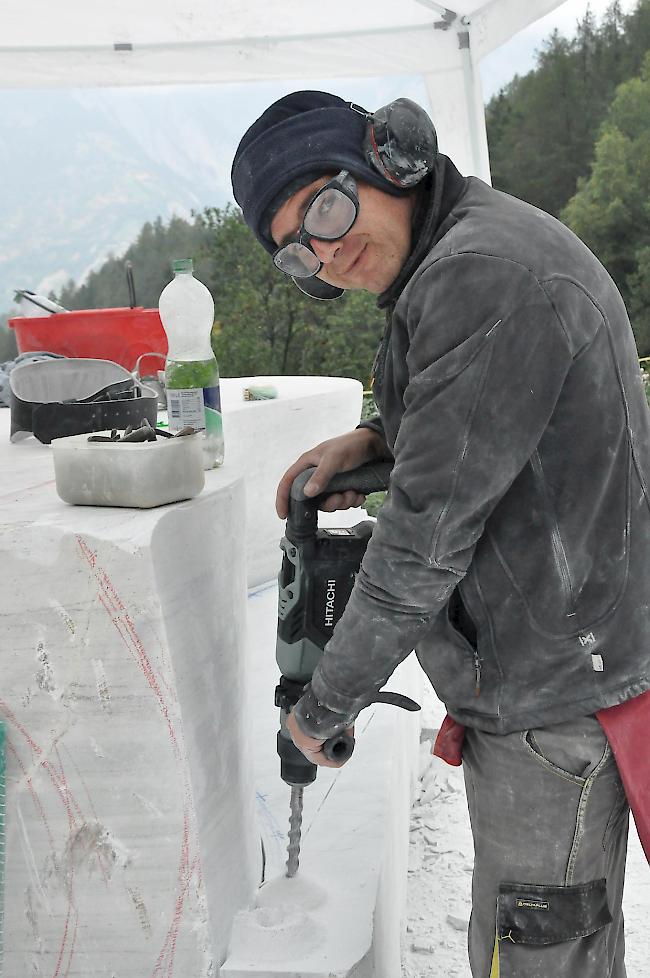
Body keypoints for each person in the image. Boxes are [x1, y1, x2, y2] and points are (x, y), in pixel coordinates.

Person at [231, 90, 650, 977]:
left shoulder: (481, 272)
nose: (328, 252)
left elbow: (422, 544)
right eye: (298, 251)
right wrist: (378, 441)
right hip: (563, 665)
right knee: (560, 944)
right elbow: (490, 421)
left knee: (536, 955)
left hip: (554, 697)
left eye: (328, 209)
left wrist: (322, 708)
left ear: (393, 159)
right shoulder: (458, 256)